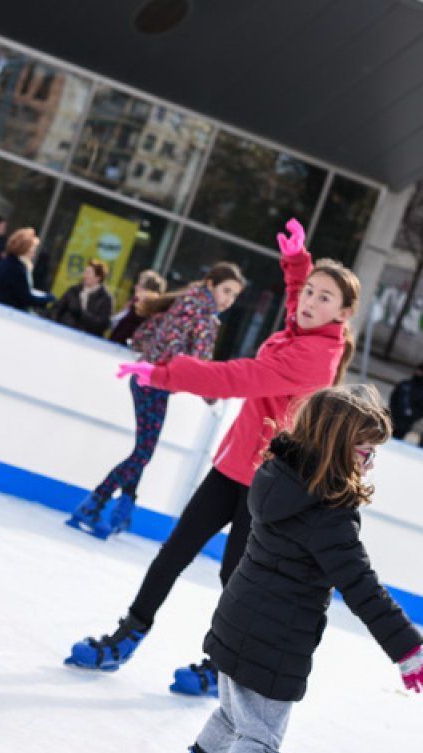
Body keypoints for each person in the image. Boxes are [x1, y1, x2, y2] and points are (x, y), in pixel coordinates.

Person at [65, 220, 358, 698]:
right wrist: (296, 264)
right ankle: (126, 637)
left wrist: (166, 374)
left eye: (323, 297)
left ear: (343, 314)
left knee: (235, 578)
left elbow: (237, 378)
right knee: (174, 552)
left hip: (268, 482)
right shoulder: (300, 328)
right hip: (232, 465)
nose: (308, 301)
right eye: (309, 291)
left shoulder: (315, 357)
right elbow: (295, 305)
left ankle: (221, 665)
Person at [157, 385, 423, 753]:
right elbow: (360, 583)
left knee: (231, 714)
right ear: (335, 445)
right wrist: (406, 647)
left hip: (237, 618)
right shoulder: (326, 513)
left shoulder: (276, 474)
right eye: (364, 451)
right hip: (276, 637)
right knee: (261, 736)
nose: (369, 462)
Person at [65, 260, 245, 540]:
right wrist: (211, 396)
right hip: (155, 385)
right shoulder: (204, 317)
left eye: (234, 295)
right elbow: (198, 364)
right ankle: (94, 504)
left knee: (143, 449)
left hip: (144, 378)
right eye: (226, 291)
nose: (229, 300)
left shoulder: (183, 302)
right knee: (143, 453)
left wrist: (155, 354)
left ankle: (124, 505)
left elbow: (143, 336)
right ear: (210, 284)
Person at [0, 227, 51, 312]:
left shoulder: (6, 262)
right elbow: (26, 298)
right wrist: (48, 298)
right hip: (3, 311)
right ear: (25, 249)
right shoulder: (18, 269)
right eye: (32, 249)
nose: (34, 253)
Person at [47, 258, 114, 336]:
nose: (84, 275)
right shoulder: (74, 290)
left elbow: (102, 324)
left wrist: (82, 313)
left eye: (88, 273)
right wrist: (54, 326)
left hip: (86, 338)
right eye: (84, 272)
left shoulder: (106, 299)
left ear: (98, 278)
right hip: (63, 332)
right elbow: (56, 308)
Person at [108, 270, 165, 348]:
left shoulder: (149, 314)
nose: (135, 287)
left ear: (148, 291)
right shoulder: (133, 304)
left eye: (140, 285)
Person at [388, 366, 423, 440]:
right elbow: (394, 397)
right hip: (394, 417)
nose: (418, 373)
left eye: (420, 372)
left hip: (405, 423)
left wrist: (412, 415)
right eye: (417, 370)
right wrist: (393, 410)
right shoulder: (405, 384)